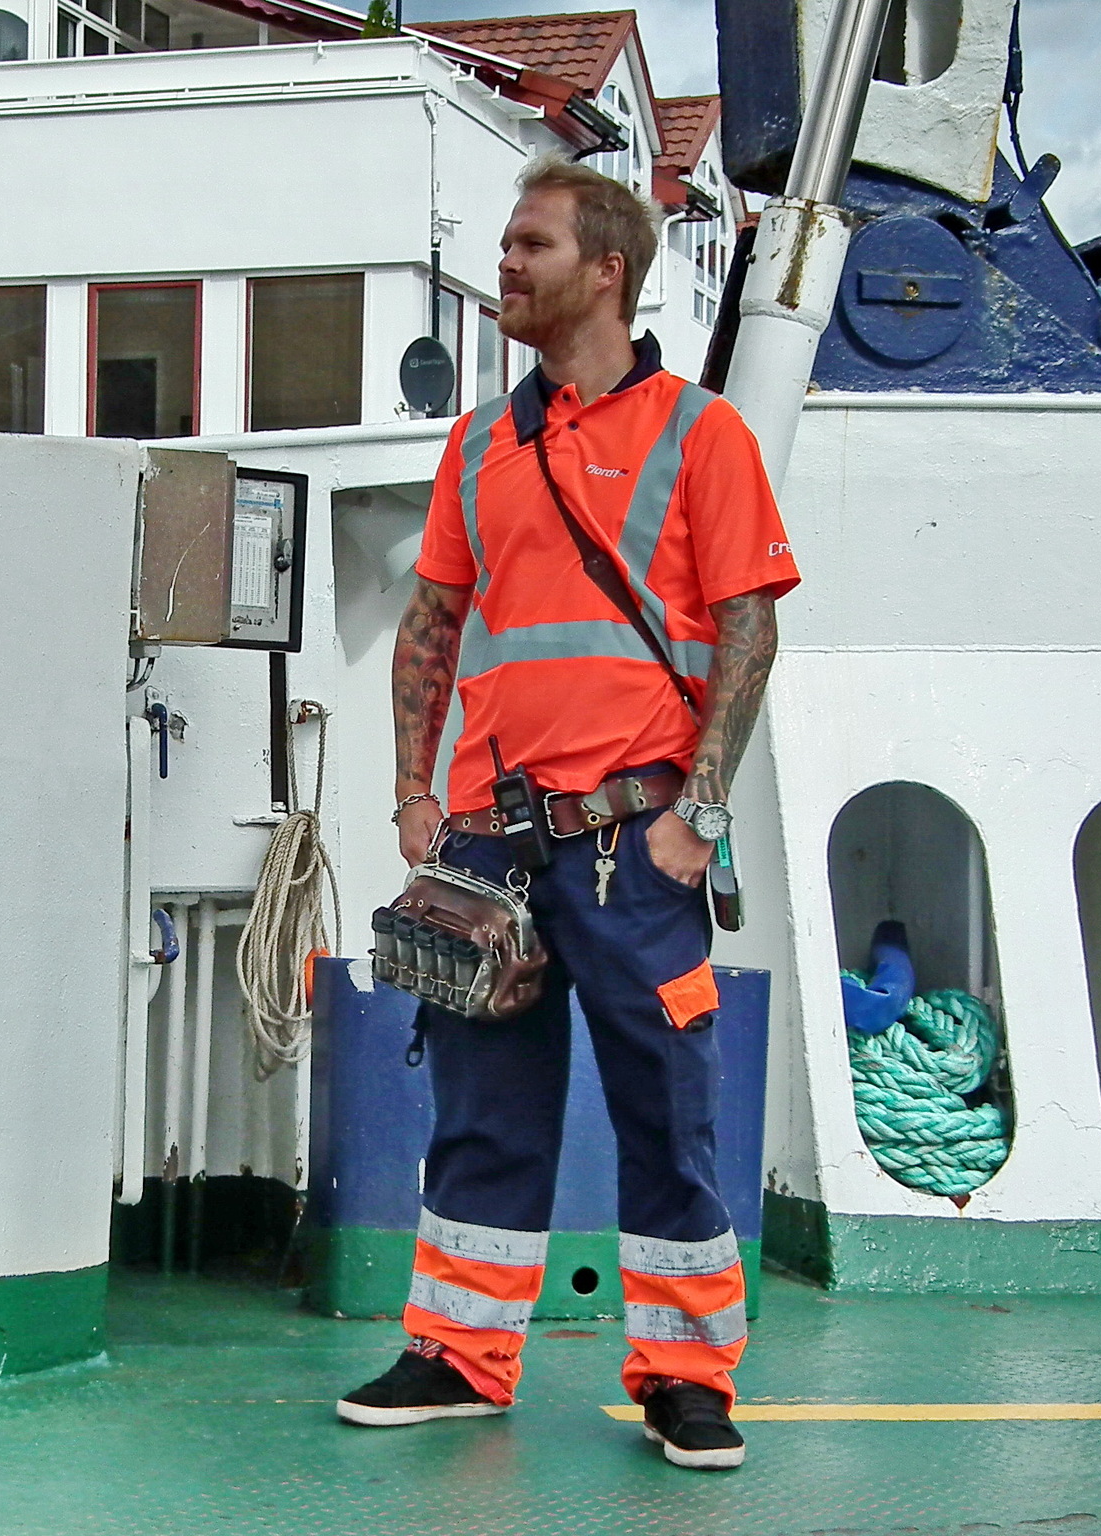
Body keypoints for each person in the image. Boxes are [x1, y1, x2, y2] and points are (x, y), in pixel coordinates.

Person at [334, 153, 799, 1471]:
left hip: (633, 846)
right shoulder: (480, 442)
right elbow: (431, 620)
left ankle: (686, 1377)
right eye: (506, 244)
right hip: (487, 844)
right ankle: (461, 1355)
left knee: (668, 1107)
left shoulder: (703, 436)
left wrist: (693, 823)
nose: (507, 264)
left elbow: (749, 635)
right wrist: (416, 796)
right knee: (482, 1104)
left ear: (608, 270)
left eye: (531, 244)